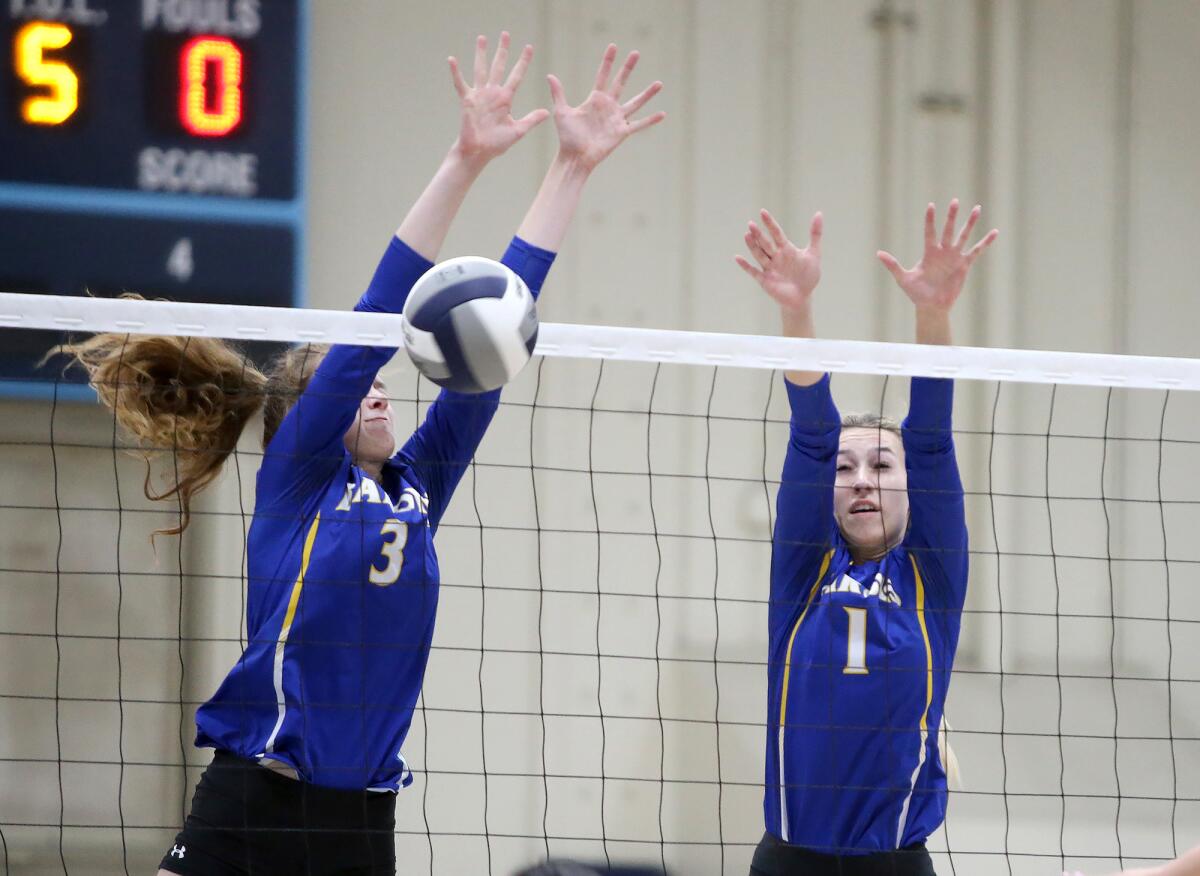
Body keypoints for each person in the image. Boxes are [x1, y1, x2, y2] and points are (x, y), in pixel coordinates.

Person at [57, 32, 663, 876]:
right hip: (255, 798)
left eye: (385, 390)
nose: (381, 393)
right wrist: (463, 160)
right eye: (358, 389)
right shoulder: (299, 477)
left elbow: (497, 332)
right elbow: (378, 315)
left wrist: (571, 170)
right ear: (306, 418)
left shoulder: (418, 489)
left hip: (361, 818)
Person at [735, 201, 997, 875]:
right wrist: (796, 310)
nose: (860, 480)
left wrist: (933, 313)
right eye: (846, 468)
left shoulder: (931, 578)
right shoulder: (804, 570)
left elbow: (932, 438)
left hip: (896, 865)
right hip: (789, 862)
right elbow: (811, 431)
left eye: (881, 465)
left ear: (909, 484)